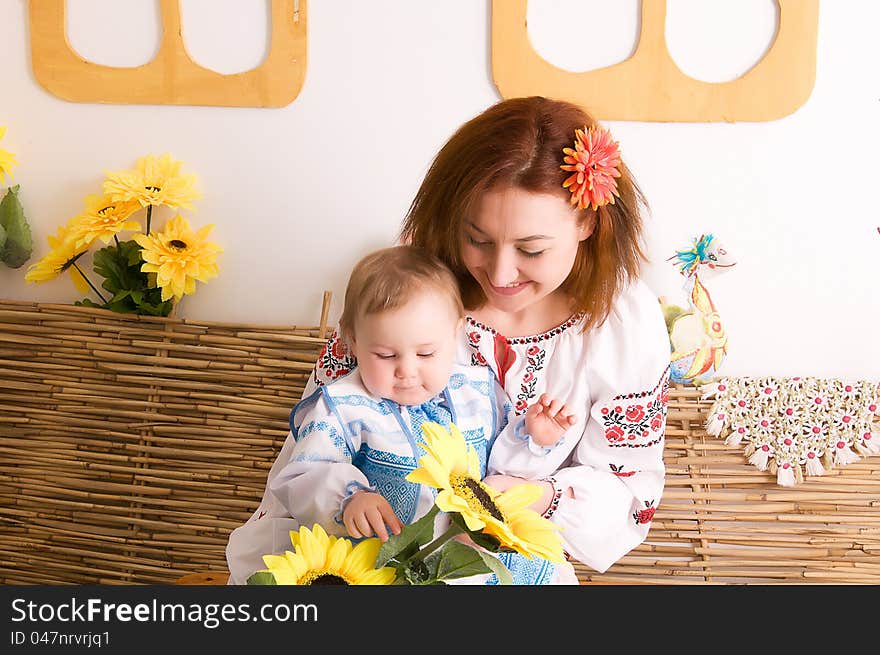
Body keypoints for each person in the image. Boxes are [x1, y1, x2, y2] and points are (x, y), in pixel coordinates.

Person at [308, 96, 670, 576]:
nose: (500, 274)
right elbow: (317, 438)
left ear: (587, 222)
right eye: (477, 239)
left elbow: (629, 488)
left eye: (531, 249)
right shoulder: (409, 290)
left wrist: (543, 496)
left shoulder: (624, 323)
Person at [225, 244, 579, 584]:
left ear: (456, 334)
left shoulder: (476, 393)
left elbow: (500, 475)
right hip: (382, 561)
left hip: (464, 557)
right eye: (385, 355)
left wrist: (532, 438)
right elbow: (304, 473)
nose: (407, 371)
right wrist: (350, 498)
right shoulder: (345, 406)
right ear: (353, 341)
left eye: (426, 354)